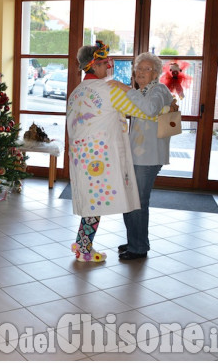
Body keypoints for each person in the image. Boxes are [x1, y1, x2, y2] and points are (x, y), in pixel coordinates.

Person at [67, 41, 169, 262]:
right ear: (94, 66)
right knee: (96, 204)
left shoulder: (76, 91)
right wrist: (168, 110)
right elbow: (144, 112)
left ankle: (84, 243)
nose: (108, 67)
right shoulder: (109, 89)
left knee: (91, 202)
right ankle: (84, 248)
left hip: (81, 156)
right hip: (101, 157)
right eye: (105, 63)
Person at [109, 52, 177, 260]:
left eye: (146, 69)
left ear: (155, 73)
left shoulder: (158, 90)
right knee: (131, 199)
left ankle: (139, 247)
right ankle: (134, 241)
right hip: (138, 156)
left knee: (138, 201)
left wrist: (127, 90)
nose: (140, 72)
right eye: (138, 69)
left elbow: (149, 109)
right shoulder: (144, 91)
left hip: (148, 158)